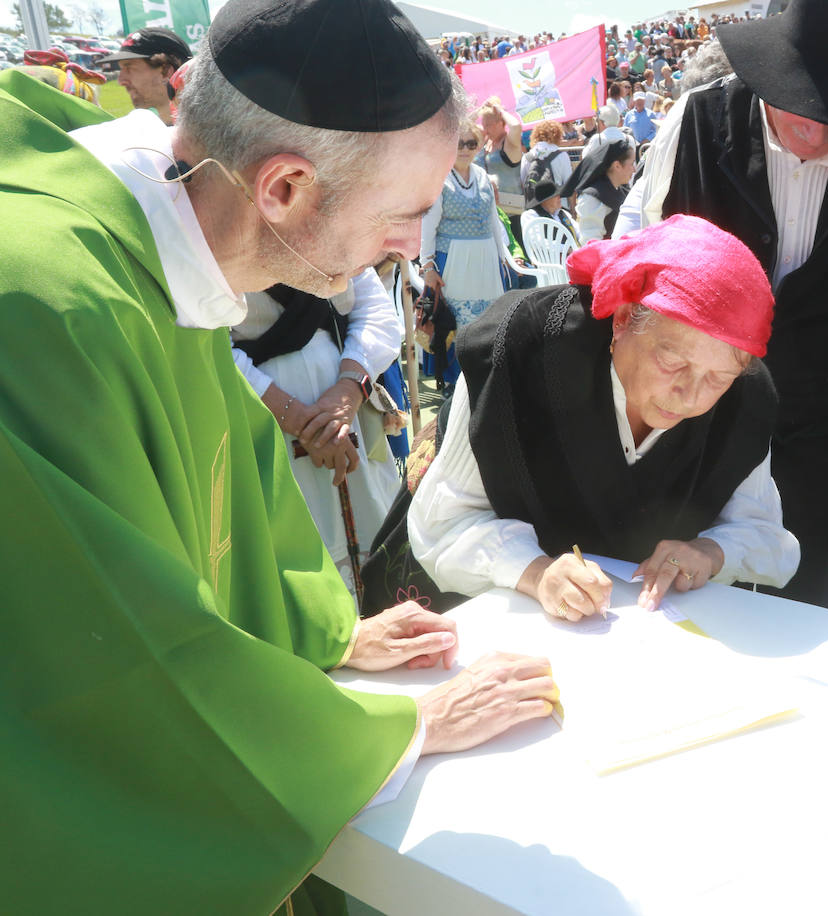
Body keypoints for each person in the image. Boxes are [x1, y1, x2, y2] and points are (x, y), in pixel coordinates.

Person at [0, 0, 559, 910]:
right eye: (403, 214)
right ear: (285, 189)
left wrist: (321, 635)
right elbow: (109, 655)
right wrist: (386, 734)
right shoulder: (43, 302)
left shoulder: (159, 248)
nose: (411, 248)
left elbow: (224, 509)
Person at [619, 0, 828, 607]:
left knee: (815, 599)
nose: (820, 133)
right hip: (692, 426)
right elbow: (633, 251)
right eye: (807, 104)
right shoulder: (697, 119)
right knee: (681, 603)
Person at [399, 215, 799, 617]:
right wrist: (537, 572)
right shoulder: (517, 352)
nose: (691, 396)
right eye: (673, 361)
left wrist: (710, 553)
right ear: (623, 319)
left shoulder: (745, 398)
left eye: (717, 378)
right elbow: (443, 526)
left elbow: (766, 536)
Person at [231, 268, 404, 597]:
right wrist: (298, 419)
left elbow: (376, 311)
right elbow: (203, 340)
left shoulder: (334, 218)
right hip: (257, 418)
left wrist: (347, 393)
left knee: (376, 552)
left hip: (348, 408)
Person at [418, 118, 511, 393]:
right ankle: (452, 381)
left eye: (471, 144)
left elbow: (494, 219)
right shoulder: (440, 178)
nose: (465, 149)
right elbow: (428, 224)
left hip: (484, 259)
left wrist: (504, 255)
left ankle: (481, 375)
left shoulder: (482, 176)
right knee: (452, 320)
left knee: (484, 320)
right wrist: (428, 265)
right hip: (453, 259)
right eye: (459, 144)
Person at [97, 26, 190, 125]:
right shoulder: (144, 133)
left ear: (166, 71)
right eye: (121, 69)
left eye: (129, 67)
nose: (121, 81)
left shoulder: (205, 136)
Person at [474, 95, 527, 243]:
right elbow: (463, 127)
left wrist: (500, 110)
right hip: (487, 211)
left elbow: (516, 126)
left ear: (500, 123)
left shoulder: (509, 143)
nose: (484, 129)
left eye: (488, 125)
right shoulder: (485, 143)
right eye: (483, 124)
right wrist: (481, 109)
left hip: (512, 212)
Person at [567, 138, 636, 241]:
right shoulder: (591, 199)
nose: (634, 169)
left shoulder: (622, 190)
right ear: (617, 166)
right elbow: (590, 243)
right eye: (631, 164)